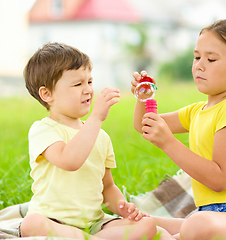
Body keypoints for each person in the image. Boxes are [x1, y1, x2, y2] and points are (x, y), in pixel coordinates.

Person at [131, 19, 226, 240]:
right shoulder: (197, 111)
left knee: (196, 225)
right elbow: (145, 124)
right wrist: (143, 98)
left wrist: (168, 143)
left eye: (210, 59)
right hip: (209, 214)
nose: (199, 65)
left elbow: (219, 180)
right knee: (141, 222)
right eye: (197, 57)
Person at [20, 42, 170, 240]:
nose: (88, 90)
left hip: (94, 224)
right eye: (77, 84)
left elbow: (107, 187)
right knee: (32, 223)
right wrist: (96, 118)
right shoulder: (43, 130)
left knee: (147, 225)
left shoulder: (101, 136)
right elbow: (69, 160)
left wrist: (122, 207)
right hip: (53, 221)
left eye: (89, 82)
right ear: (47, 94)